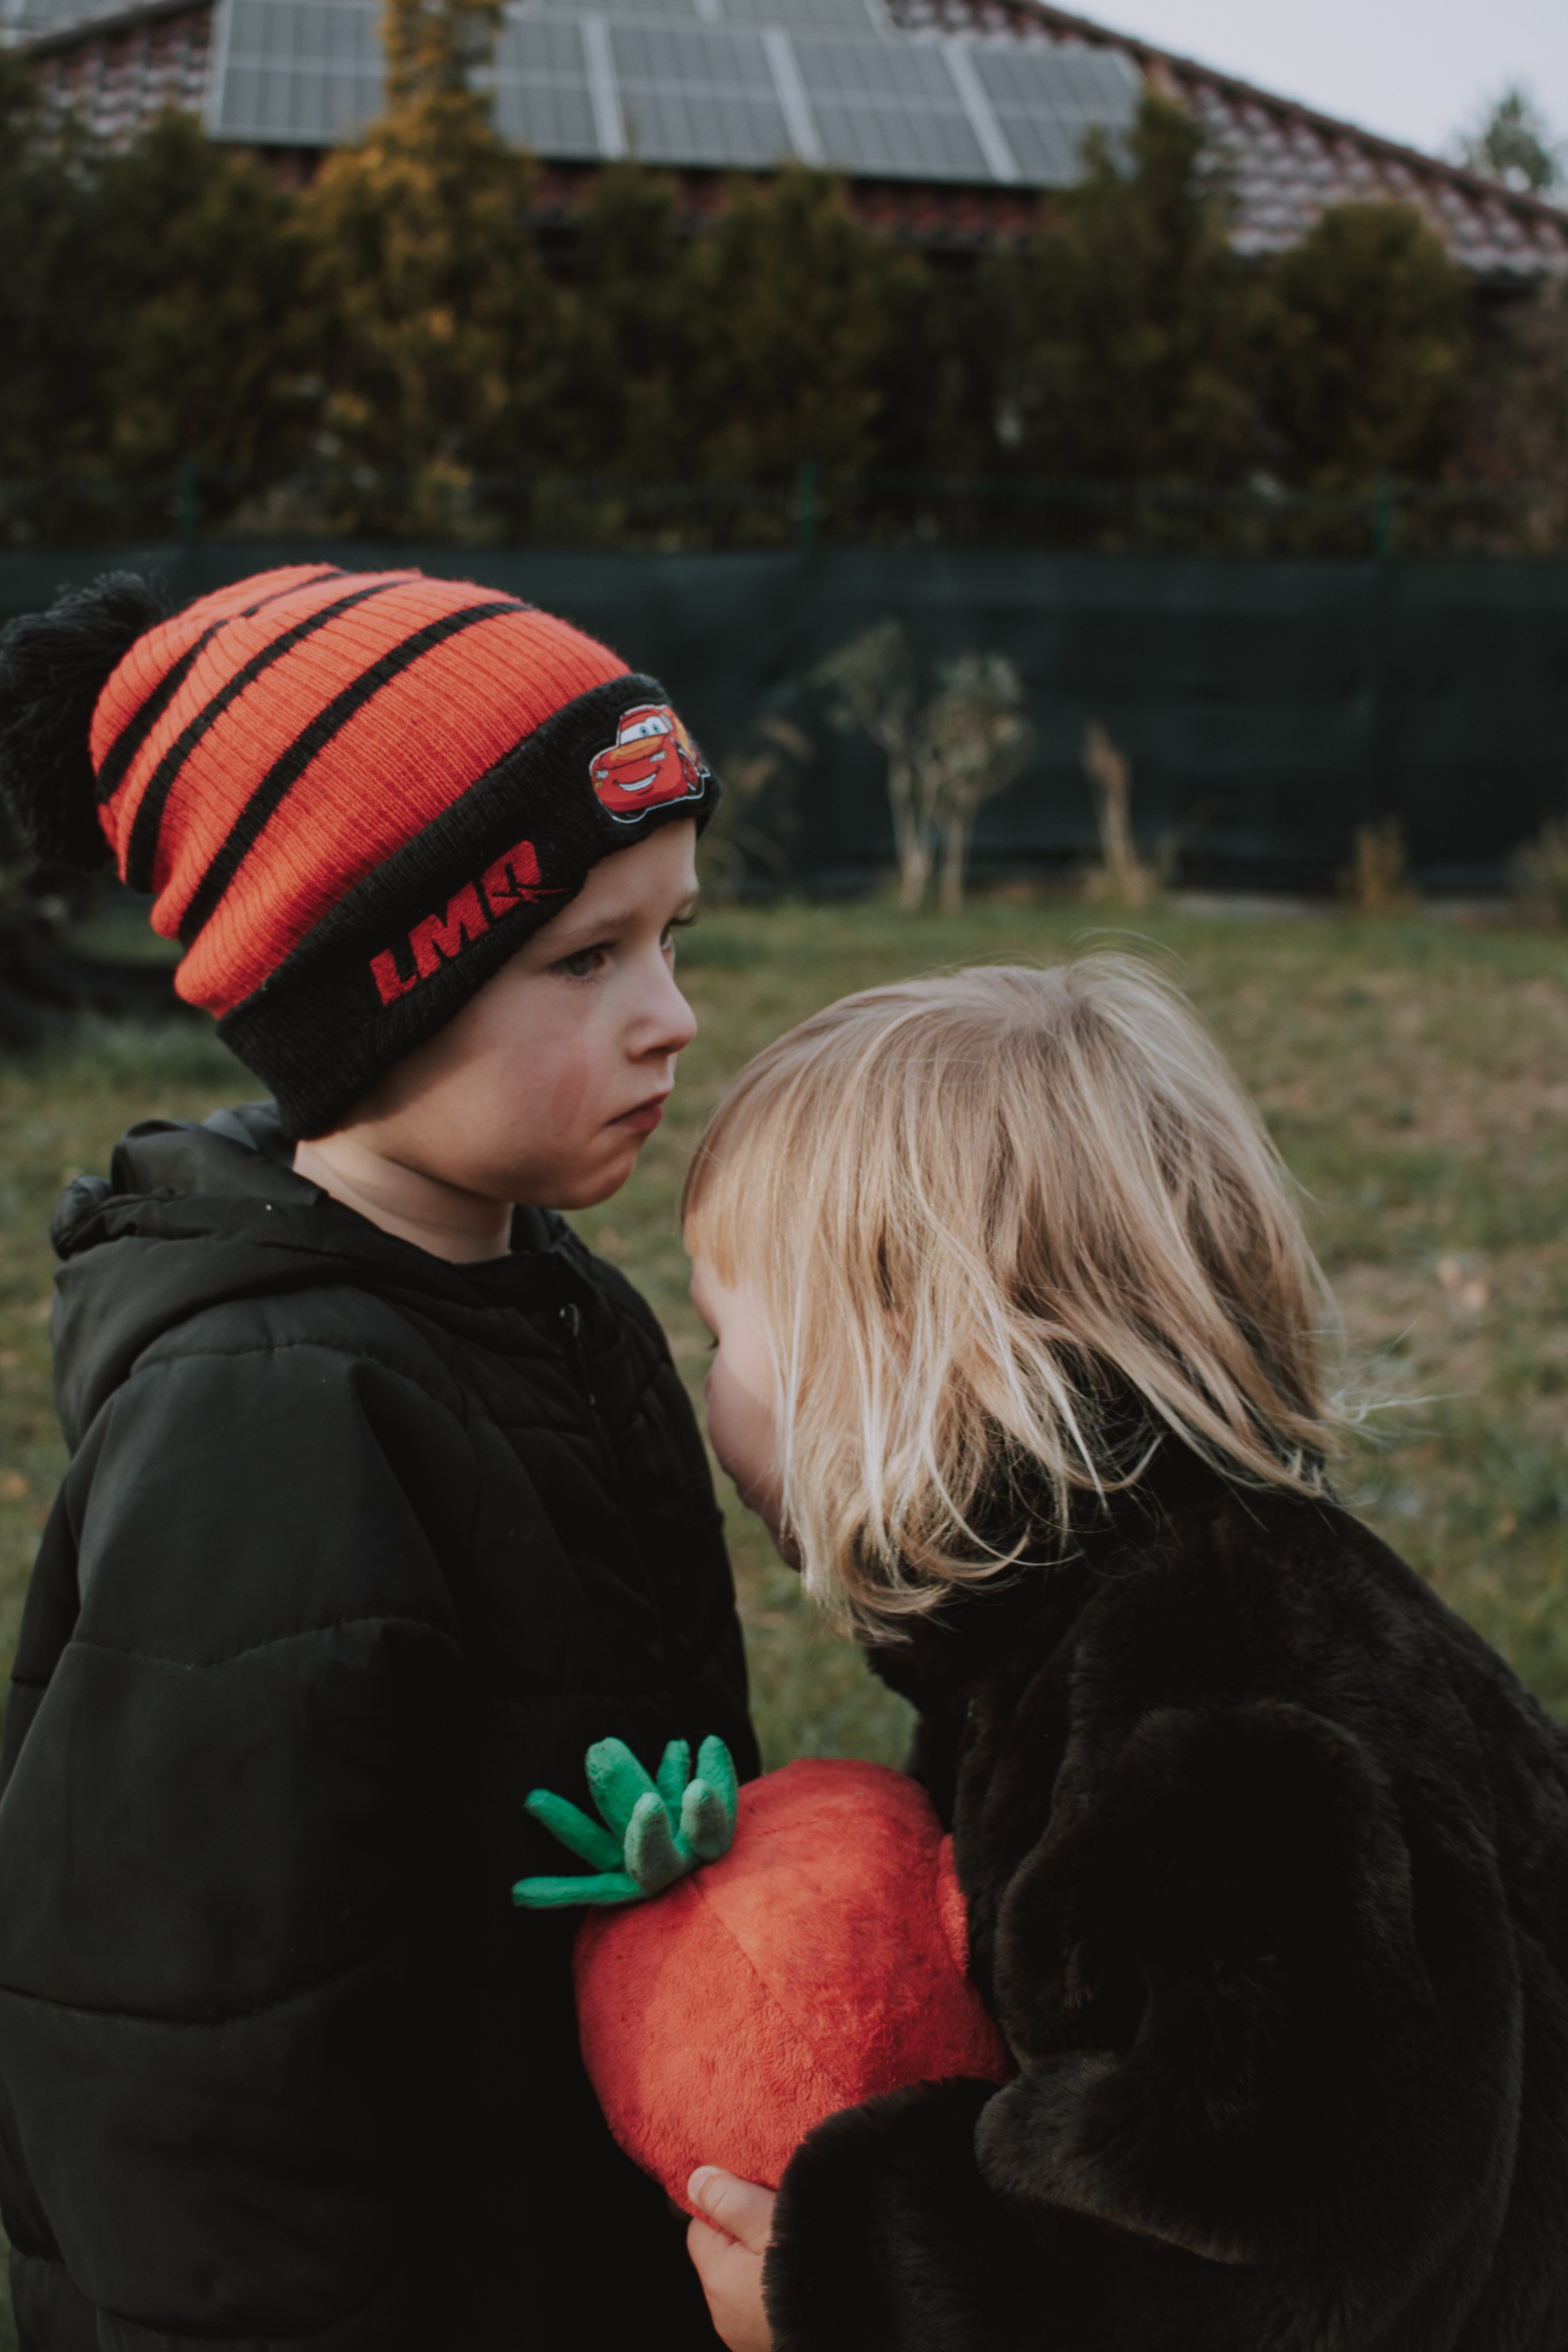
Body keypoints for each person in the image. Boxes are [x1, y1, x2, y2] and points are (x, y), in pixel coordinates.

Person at [0, 564, 758, 2351]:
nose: (670, 1014)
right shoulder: (267, 1419)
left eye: (673, 938)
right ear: (374, 994)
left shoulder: (554, 1297)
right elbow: (185, 2070)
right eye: (584, 958)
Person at [677, 959, 1568, 2352]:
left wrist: (855, 2285)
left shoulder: (1198, 1695)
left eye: (721, 1337)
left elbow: (1264, 2239)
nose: (704, 1389)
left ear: (897, 1355)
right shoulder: (1111, 1615)